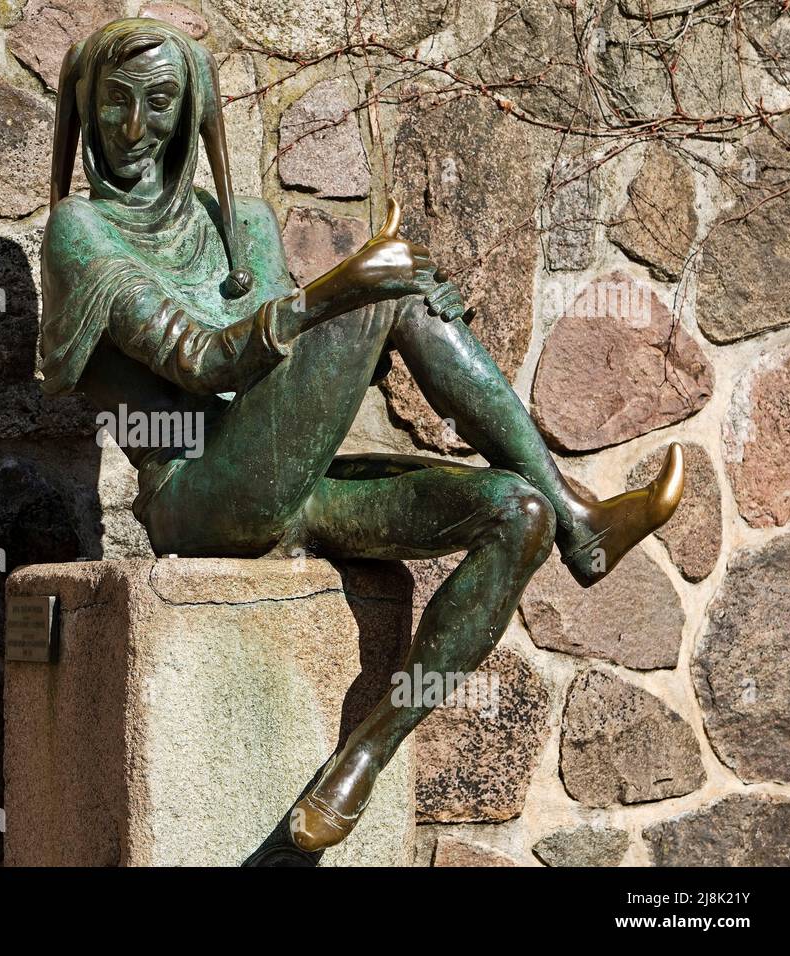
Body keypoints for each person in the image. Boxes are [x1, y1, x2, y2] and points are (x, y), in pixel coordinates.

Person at [39, 18, 683, 852]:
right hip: (196, 495)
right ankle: (582, 519)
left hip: (286, 482)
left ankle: (364, 758)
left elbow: (271, 374)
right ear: (83, 109)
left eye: (159, 102)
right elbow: (202, 361)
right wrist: (348, 297)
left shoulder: (245, 225)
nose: (135, 128)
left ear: (190, 112)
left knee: (512, 514)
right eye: (115, 103)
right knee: (385, 289)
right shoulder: (78, 233)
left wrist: (373, 319)